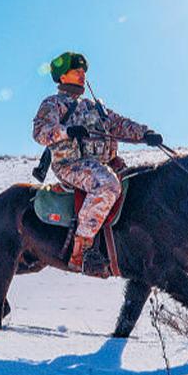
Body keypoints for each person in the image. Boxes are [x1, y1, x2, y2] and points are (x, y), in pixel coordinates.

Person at [32, 51, 162, 276]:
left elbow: (118, 124)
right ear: (62, 76)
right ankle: (82, 252)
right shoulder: (53, 103)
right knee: (107, 184)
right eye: (76, 71)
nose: (82, 74)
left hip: (105, 163)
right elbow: (40, 132)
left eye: (83, 71)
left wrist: (145, 133)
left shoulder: (94, 106)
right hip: (71, 164)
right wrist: (67, 131)